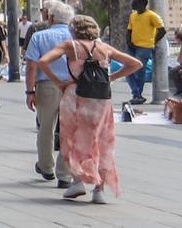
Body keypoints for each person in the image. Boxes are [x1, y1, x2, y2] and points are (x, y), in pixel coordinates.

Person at [37, 15, 143, 204]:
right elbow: (136, 64)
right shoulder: (103, 47)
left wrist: (59, 82)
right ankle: (99, 189)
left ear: (74, 29)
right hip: (101, 99)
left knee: (73, 138)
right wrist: (111, 77)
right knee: (101, 140)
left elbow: (43, 61)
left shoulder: (70, 46)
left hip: (75, 95)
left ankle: (77, 181)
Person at [25, 2, 74, 188]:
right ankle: (65, 174)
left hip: (47, 85)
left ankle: (46, 166)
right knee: (69, 129)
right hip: (72, 86)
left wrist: (30, 91)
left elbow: (31, 66)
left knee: (46, 128)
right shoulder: (76, 37)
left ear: (51, 17)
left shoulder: (39, 36)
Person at [125, 0, 164, 105]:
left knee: (139, 71)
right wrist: (128, 41)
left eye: (135, 3)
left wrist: (153, 41)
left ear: (142, 4)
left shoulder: (152, 15)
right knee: (127, 70)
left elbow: (162, 30)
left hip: (145, 47)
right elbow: (129, 30)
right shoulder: (132, 15)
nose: (133, 5)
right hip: (132, 46)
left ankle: (137, 95)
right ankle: (136, 94)